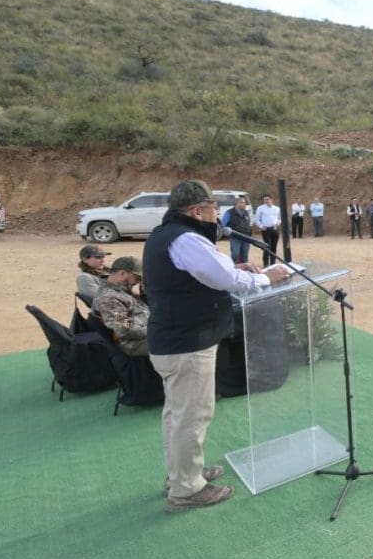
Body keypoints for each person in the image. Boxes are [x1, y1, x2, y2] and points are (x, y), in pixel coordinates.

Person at [144, 180, 287, 512]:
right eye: (212, 207)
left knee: (178, 415)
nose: (217, 214)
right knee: (192, 417)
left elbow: (207, 273)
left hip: (174, 341)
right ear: (197, 211)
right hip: (187, 344)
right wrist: (268, 277)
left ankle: (183, 473)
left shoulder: (168, 235)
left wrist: (233, 267)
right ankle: (187, 489)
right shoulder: (187, 238)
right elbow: (227, 281)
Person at [91, 256, 150, 356]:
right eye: (137, 278)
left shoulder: (122, 289)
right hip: (134, 344)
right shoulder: (109, 298)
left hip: (148, 331)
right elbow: (124, 330)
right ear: (122, 273)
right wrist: (155, 329)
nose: (137, 282)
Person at [221, 196, 252, 264]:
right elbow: (223, 225)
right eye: (243, 203)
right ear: (237, 203)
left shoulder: (246, 212)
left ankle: (245, 270)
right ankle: (234, 269)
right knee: (235, 254)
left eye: (245, 203)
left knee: (245, 255)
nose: (245, 204)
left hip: (246, 237)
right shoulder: (229, 212)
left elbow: (248, 223)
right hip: (235, 237)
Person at [253, 194, 281, 267]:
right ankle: (266, 264)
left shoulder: (277, 208)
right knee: (267, 246)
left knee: (274, 247)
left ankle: (273, 264)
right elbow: (256, 219)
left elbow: (279, 218)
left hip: (275, 229)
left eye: (267, 199)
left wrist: (278, 223)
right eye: (265, 199)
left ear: (271, 200)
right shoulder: (260, 208)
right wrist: (261, 226)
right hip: (266, 229)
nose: (266, 201)